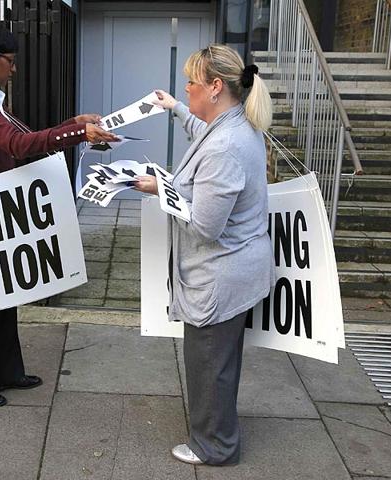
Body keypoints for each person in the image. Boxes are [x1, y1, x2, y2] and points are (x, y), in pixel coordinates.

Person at [0, 21, 118, 409]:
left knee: (7, 293)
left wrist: (73, 126)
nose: (14, 68)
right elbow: (18, 144)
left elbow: (23, 135)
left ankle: (5, 372)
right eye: (9, 60)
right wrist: (77, 135)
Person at [134, 44, 274, 465]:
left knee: (208, 363)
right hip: (235, 269)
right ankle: (220, 429)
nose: (187, 88)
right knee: (221, 360)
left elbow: (206, 226)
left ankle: (214, 446)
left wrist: (161, 188)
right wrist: (175, 107)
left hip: (220, 275)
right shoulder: (230, 124)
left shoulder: (227, 144)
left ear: (215, 87)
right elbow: (201, 134)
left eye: (191, 82)